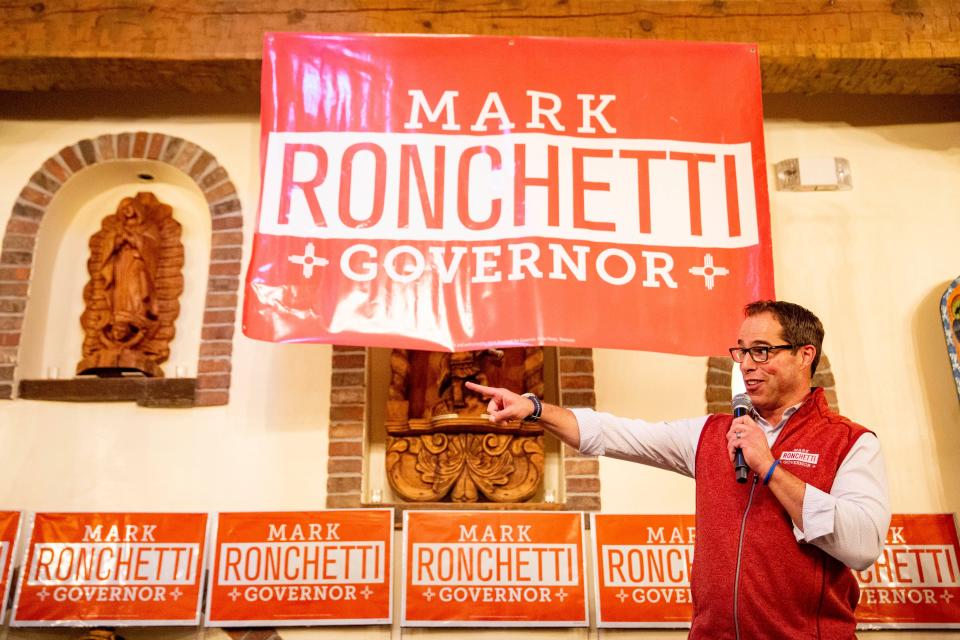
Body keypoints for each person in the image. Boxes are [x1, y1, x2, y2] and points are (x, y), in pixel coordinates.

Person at [466, 300, 890, 639]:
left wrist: (771, 468)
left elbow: (862, 545)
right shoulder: (713, 434)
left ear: (805, 355)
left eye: (762, 351)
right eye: (741, 351)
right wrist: (535, 409)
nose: (746, 364)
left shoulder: (850, 442)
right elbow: (616, 433)